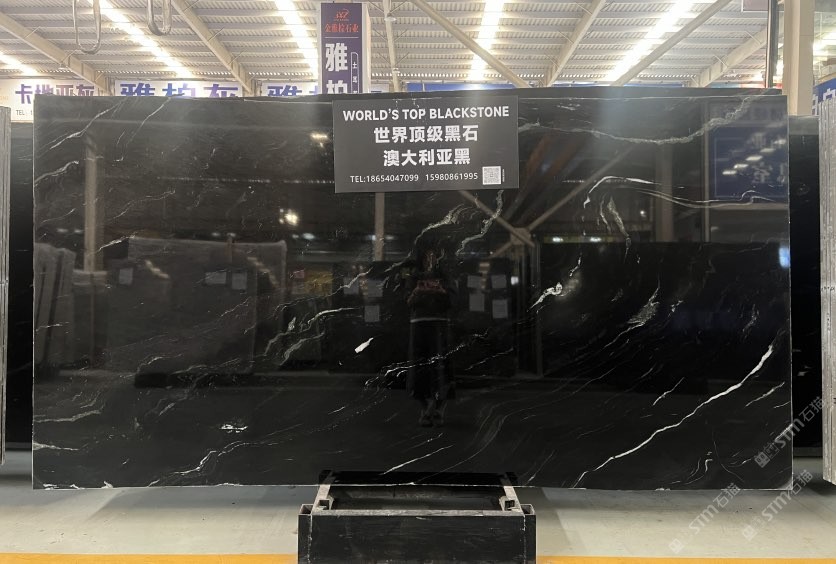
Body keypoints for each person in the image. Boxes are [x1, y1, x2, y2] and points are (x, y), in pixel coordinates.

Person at [404, 246, 455, 427]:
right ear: (422, 259)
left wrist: (441, 291)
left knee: (441, 367)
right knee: (420, 368)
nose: (430, 260)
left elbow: (453, 300)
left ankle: (438, 409)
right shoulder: (414, 277)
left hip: (439, 324)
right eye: (427, 256)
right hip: (419, 324)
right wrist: (417, 291)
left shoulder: (444, 277)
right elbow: (408, 302)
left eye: (433, 256)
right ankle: (426, 408)